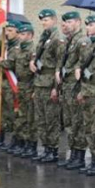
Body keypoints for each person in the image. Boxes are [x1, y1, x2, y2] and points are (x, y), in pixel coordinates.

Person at [73, 14, 95, 176]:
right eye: (87, 25)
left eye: (92, 25)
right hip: (87, 90)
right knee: (89, 127)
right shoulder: (88, 44)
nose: (88, 28)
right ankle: (94, 159)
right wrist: (81, 90)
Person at [29, 9, 66, 163]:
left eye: (47, 20)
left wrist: (55, 88)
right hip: (39, 82)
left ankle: (53, 150)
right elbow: (38, 57)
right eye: (42, 20)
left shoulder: (57, 39)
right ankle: (46, 148)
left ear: (55, 20)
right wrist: (32, 61)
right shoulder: (44, 37)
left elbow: (59, 63)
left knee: (51, 119)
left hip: (50, 83)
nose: (44, 23)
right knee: (41, 119)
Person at [57, 11, 84, 168]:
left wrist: (81, 90)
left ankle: (79, 155)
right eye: (64, 22)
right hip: (67, 86)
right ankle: (73, 153)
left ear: (78, 22)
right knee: (69, 122)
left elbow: (83, 64)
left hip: (75, 87)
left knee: (77, 122)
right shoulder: (68, 41)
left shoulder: (81, 41)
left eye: (69, 22)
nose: (65, 25)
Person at [0, 21, 20, 150]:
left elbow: (10, 64)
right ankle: (2, 138)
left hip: (13, 83)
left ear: (17, 32)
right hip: (4, 82)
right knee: (4, 112)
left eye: (10, 31)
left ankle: (15, 141)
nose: (8, 33)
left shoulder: (17, 47)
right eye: (7, 30)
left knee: (13, 113)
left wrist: (1, 62)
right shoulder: (6, 46)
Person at [12, 22, 36, 157]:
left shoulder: (33, 50)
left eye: (22, 34)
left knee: (30, 117)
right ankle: (23, 142)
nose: (20, 37)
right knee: (21, 116)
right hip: (20, 86)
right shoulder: (18, 49)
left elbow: (36, 72)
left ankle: (31, 145)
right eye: (19, 34)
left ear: (30, 35)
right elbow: (11, 64)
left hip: (29, 85)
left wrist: (34, 90)